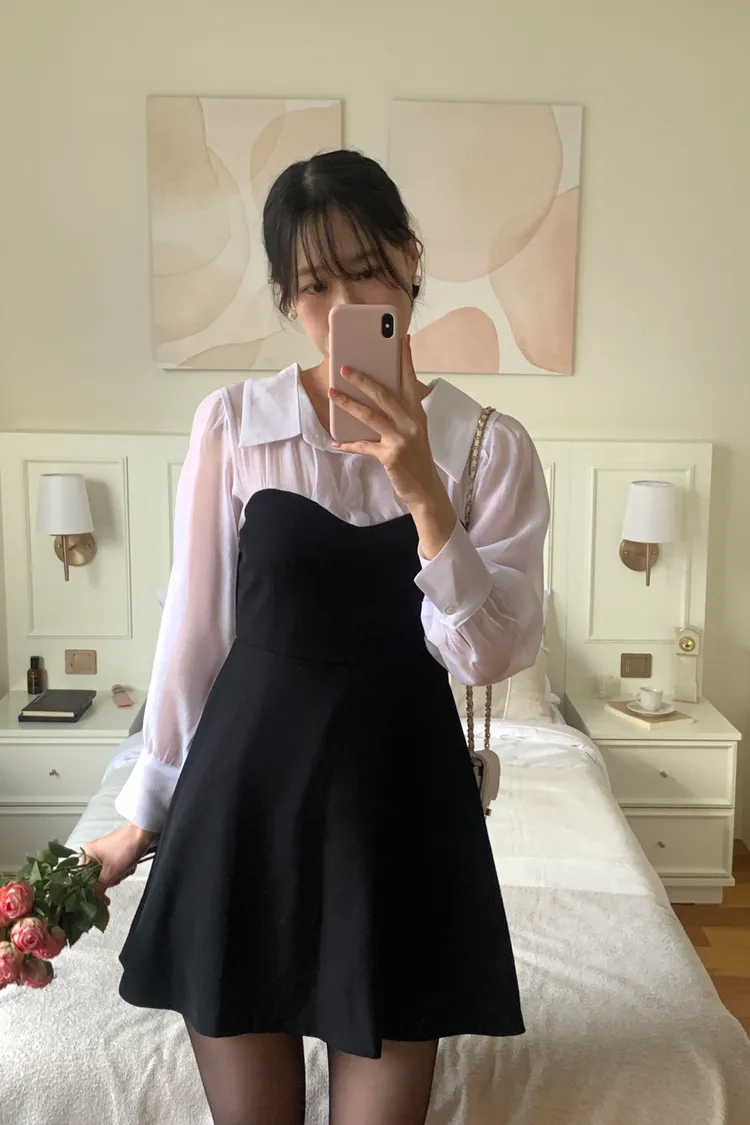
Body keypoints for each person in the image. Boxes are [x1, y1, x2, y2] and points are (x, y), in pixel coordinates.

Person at [82, 149, 550, 1125]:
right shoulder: (234, 425)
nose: (342, 305)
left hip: (398, 817)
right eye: (313, 288)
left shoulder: (485, 447)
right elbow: (195, 631)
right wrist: (143, 814)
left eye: (365, 271)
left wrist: (422, 490)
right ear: (286, 299)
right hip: (241, 811)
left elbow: (490, 653)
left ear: (410, 257)